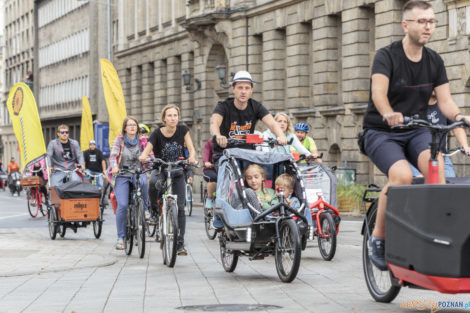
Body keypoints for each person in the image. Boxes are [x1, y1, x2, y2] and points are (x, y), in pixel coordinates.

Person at [361, 0, 470, 270]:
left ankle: (433, 232)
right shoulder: (386, 56)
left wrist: (460, 118)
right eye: (422, 21)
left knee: (437, 171)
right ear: (405, 24)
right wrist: (388, 113)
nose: (428, 26)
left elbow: (445, 102)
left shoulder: (434, 60)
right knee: (402, 176)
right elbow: (378, 93)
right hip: (381, 131)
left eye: (432, 21)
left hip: (417, 130)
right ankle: (378, 237)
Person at [210, 70, 287, 228]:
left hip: (247, 154)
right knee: (226, 176)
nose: (243, 91)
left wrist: (280, 135)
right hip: (226, 152)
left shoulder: (256, 106)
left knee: (262, 171)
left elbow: (272, 123)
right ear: (233, 89)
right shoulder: (224, 106)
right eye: (240, 87)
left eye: (246, 88)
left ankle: (264, 205)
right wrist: (218, 135)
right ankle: (219, 213)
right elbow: (214, 122)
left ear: (251, 89)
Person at [139, 105, 196, 256]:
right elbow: (148, 149)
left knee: (181, 208)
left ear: (178, 117)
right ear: (164, 118)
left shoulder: (183, 130)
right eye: (169, 115)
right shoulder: (157, 133)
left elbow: (191, 148)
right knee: (152, 183)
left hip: (177, 170)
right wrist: (144, 156)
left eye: (175, 115)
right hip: (161, 169)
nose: (173, 118)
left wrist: (192, 157)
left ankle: (180, 244)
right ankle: (153, 211)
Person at [109, 116, 150, 250]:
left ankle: (145, 209)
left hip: (139, 172)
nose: (132, 127)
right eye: (129, 125)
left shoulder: (143, 141)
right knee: (122, 204)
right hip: (122, 175)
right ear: (125, 128)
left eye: (134, 125)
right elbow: (113, 155)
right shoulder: (120, 140)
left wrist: (150, 160)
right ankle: (121, 237)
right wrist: (114, 166)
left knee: (144, 183)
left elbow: (151, 154)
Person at [409, 90, 470, 177]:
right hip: (416, 158)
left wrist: (464, 145)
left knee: (450, 183)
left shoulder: (445, 107)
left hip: (441, 157)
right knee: (419, 183)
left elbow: (457, 127)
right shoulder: (414, 106)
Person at [202, 139, 217, 208]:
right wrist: (206, 162)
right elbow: (206, 153)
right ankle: (209, 198)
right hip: (210, 169)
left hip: (222, 169)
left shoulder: (228, 141)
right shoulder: (209, 143)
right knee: (213, 178)